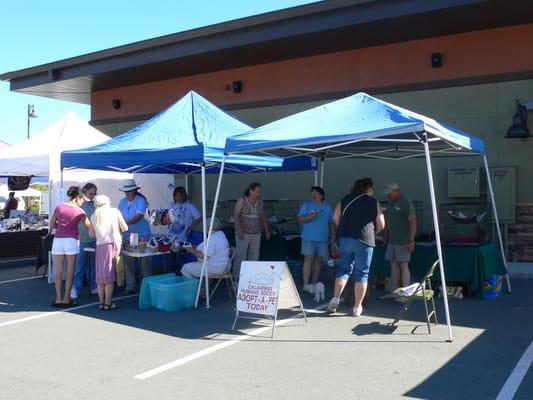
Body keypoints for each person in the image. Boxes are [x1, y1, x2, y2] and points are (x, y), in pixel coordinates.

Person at [327, 178, 385, 316]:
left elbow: (335, 218)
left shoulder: (345, 199)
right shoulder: (373, 202)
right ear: (369, 189)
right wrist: (374, 233)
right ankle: (357, 307)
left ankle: (335, 298)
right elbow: (382, 224)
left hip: (346, 238)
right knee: (362, 274)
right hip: (365, 239)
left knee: (343, 269)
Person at [49, 186, 91, 308]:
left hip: (58, 239)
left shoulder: (59, 207)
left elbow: (52, 224)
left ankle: (58, 298)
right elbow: (89, 226)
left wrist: (61, 226)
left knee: (58, 270)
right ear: (78, 198)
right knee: (70, 270)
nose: (83, 202)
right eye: (82, 199)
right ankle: (67, 298)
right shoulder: (80, 211)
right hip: (72, 239)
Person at [89, 195, 128, 310]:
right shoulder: (114, 211)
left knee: (101, 278)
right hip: (113, 245)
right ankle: (108, 303)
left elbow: (91, 234)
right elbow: (125, 227)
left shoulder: (93, 215)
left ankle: (101, 303)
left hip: (100, 246)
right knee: (110, 276)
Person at [381, 182, 417, 300]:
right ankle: (394, 292)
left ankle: (405, 295)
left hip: (403, 240)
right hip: (392, 239)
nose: (387, 196)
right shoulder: (390, 203)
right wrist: (385, 235)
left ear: (396, 190)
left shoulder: (405, 202)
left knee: (403, 265)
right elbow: (388, 221)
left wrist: (411, 240)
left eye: (389, 194)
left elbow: (413, 221)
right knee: (393, 265)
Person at [297, 186, 335, 293]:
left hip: (322, 239)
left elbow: (331, 223)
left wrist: (333, 237)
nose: (313, 194)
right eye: (312, 192)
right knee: (308, 260)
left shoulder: (327, 207)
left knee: (318, 261)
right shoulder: (306, 205)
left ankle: (314, 283)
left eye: (316, 193)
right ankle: (305, 284)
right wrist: (309, 217)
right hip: (308, 238)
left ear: (321, 196)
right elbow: (299, 218)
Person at [118, 179, 152, 294]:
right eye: (125, 191)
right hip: (128, 236)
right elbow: (119, 218)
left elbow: (138, 218)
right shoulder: (122, 202)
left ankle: (146, 287)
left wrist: (123, 224)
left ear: (134, 191)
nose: (126, 193)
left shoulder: (141, 201)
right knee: (128, 262)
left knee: (144, 263)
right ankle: (130, 286)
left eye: (129, 191)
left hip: (142, 236)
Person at [232, 182, 270, 281]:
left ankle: (250, 280)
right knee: (241, 257)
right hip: (243, 233)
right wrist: (239, 229)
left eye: (260, 192)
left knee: (254, 257)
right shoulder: (242, 200)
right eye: (257, 192)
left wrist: (266, 230)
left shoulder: (260, 201)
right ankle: (237, 280)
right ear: (251, 191)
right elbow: (236, 215)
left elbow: (262, 216)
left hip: (256, 233)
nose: (259, 194)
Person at [72, 183, 97, 299]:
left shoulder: (95, 205)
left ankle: (93, 287)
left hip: (93, 239)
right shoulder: (80, 204)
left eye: (94, 193)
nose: (92, 195)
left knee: (92, 265)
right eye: (91, 193)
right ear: (85, 192)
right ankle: (76, 288)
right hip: (82, 239)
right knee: (80, 266)